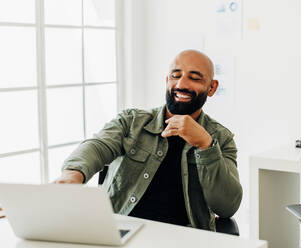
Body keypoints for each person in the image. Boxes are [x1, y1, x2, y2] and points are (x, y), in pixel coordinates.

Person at [53, 49, 243, 231]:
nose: (181, 84)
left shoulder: (221, 139)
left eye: (194, 78)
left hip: (186, 238)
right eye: (176, 76)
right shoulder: (131, 121)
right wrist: (73, 173)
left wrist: (205, 144)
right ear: (167, 80)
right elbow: (99, 145)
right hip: (121, 231)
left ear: (212, 87)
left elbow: (227, 207)